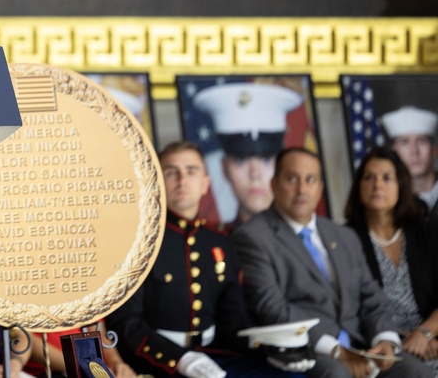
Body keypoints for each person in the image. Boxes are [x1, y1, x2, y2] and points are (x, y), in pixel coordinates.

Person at [107, 141, 306, 378]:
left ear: (205, 184)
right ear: (156, 183)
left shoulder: (219, 241)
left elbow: (233, 322)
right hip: (158, 361)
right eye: (171, 172)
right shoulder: (138, 243)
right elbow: (126, 323)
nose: (182, 180)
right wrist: (180, 359)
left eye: (191, 171)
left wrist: (270, 349)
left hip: (214, 353)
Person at [232, 147, 430, 378]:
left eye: (311, 180)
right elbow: (271, 307)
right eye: (292, 178)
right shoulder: (253, 236)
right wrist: (336, 350)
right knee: (336, 374)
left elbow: (371, 298)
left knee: (414, 371)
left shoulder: (342, 235)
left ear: (320, 189)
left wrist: (385, 340)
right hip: (308, 349)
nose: (302, 189)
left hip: (363, 344)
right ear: (274, 184)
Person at [344, 146, 438, 376]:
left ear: (401, 186)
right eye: (369, 177)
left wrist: (426, 334)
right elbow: (352, 311)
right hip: (383, 347)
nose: (377, 185)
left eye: (387, 178)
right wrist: (402, 340)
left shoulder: (424, 231)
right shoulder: (346, 240)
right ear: (358, 187)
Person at [192, 83, 304, 226]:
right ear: (224, 169)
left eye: (266, 159)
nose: (255, 174)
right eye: (240, 161)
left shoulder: (308, 239)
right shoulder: (214, 245)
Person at [379, 106, 438, 217]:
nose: (414, 151)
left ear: (434, 149)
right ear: (394, 151)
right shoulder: (386, 201)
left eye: (421, 141)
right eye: (404, 142)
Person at [24, 323, 136, 378]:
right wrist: (81, 368)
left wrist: (115, 362)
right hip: (43, 371)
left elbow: (97, 327)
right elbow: (26, 340)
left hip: (88, 365)